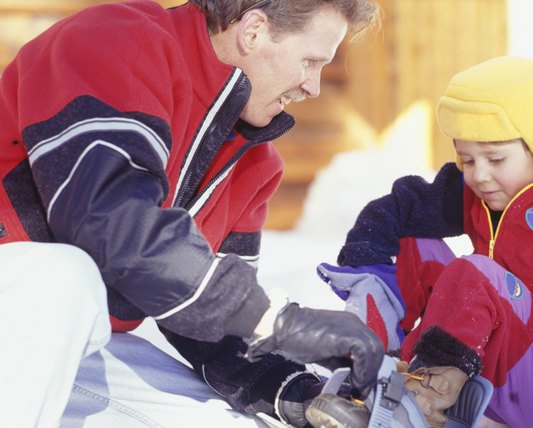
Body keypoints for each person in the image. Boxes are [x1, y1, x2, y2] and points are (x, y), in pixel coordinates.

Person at [0, 1, 384, 427]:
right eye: (310, 61)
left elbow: (212, 318)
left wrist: (295, 389)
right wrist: (282, 322)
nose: (313, 86)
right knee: (62, 277)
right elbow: (111, 221)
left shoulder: (253, 164)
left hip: (47, 349)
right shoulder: (115, 41)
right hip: (24, 303)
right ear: (253, 29)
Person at [317, 56, 533, 427]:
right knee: (413, 240)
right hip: (491, 364)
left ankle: (425, 400)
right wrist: (366, 269)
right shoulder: (481, 189)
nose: (479, 175)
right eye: (466, 159)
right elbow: (401, 207)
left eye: (496, 158)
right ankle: (377, 373)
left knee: (478, 273)